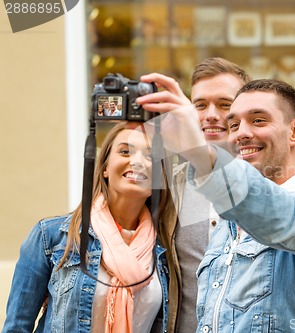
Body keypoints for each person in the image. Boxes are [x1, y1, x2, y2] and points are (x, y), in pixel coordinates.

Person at [137, 78, 295, 332]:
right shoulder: (228, 221)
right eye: (234, 124)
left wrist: (198, 150)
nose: (241, 133)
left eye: (258, 120)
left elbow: (283, 217)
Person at [2, 122, 174, 333]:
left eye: (150, 156)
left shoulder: (164, 251)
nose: (137, 161)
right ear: (104, 168)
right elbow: (17, 326)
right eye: (125, 151)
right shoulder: (51, 237)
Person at [142, 57, 251, 332]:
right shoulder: (170, 186)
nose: (210, 114)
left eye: (224, 104)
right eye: (200, 105)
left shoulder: (270, 184)